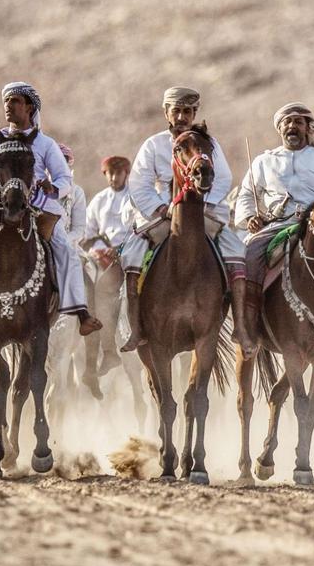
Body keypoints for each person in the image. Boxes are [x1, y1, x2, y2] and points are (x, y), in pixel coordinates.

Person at [0, 82, 102, 336]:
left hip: (37, 204)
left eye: (15, 102)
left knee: (66, 248)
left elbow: (65, 179)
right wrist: (1, 184)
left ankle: (80, 312)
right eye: (6, 102)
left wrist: (52, 188)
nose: (8, 107)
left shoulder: (45, 143)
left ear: (30, 107)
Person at [119, 86, 253, 351]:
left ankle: (239, 327)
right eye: (176, 111)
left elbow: (222, 177)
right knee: (131, 257)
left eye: (187, 112)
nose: (181, 117)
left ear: (194, 114)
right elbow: (140, 182)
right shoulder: (154, 145)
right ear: (166, 112)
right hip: (161, 215)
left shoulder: (208, 144)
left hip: (201, 212)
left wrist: (203, 203)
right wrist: (160, 208)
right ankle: (136, 329)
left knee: (237, 251)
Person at [234, 102, 314, 342]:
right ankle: (247, 326)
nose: (292, 126)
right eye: (287, 123)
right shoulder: (263, 161)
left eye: (298, 122)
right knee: (248, 257)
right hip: (276, 225)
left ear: (308, 128)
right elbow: (247, 193)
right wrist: (250, 218)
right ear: (280, 129)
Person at [83, 155, 133, 374]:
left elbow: (139, 228)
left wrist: (120, 248)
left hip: (129, 252)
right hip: (101, 255)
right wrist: (92, 248)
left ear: (126, 174)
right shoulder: (99, 200)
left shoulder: (134, 198)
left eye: (118, 172)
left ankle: (110, 351)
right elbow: (88, 231)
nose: (114, 177)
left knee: (103, 290)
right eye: (110, 173)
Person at [57, 142, 89, 252]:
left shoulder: (76, 192)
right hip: (38, 243)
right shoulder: (37, 188)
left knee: (84, 267)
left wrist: (62, 240)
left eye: (62, 162)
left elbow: (79, 229)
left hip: (67, 245)